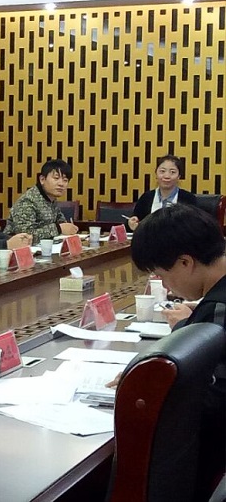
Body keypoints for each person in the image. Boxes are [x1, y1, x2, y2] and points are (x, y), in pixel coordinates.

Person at [129, 203, 225, 495]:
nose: (166, 286)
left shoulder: (218, 309)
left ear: (185, 262)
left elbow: (214, 402)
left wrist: (148, 387)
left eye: (161, 274)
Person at [3, 158, 79, 243]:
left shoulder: (51, 199)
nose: (61, 184)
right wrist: (59, 228)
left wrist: (69, 227)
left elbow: (61, 222)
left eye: (65, 180)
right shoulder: (28, 201)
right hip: (17, 249)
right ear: (42, 179)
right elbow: (25, 237)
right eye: (56, 178)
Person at [127, 154, 197, 231]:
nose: (166, 176)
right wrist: (131, 224)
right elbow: (134, 221)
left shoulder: (188, 199)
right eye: (162, 171)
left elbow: (195, 227)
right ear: (156, 174)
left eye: (172, 172)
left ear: (179, 176)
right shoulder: (146, 198)